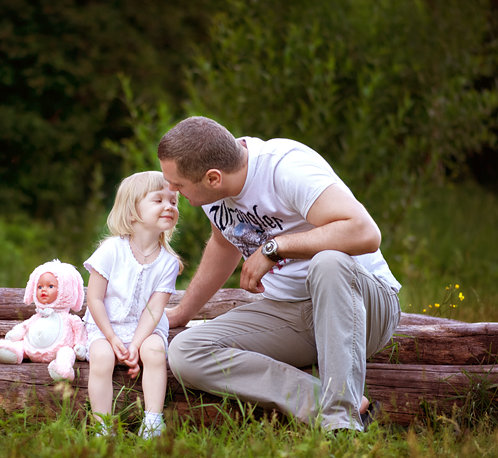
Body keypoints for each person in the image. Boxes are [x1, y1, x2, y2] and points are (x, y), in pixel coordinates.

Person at [158, 116, 402, 432]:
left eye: (178, 184)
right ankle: (330, 403)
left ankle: (342, 426)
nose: (172, 190)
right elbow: (223, 244)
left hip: (364, 307)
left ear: (213, 178)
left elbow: (365, 233)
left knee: (329, 262)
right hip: (292, 314)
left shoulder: (286, 169)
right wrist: (182, 312)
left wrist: (275, 247)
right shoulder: (214, 190)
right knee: (186, 352)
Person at [83, 171, 182, 438]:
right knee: (102, 356)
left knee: (154, 351)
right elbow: (94, 298)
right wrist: (112, 337)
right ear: (131, 211)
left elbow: (154, 309)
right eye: (158, 200)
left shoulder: (168, 262)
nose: (169, 206)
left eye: (173, 201)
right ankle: (103, 424)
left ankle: (152, 421)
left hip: (146, 328)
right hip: (106, 325)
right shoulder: (111, 250)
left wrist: (136, 344)